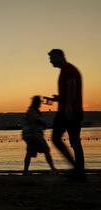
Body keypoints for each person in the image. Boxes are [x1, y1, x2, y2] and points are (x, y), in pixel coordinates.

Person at [47, 49, 85, 180]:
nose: (50, 61)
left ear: (60, 56)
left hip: (67, 111)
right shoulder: (68, 70)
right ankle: (79, 172)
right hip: (72, 110)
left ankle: (77, 169)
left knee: (56, 138)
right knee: (75, 142)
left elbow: (72, 85)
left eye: (52, 58)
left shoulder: (68, 69)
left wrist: (68, 106)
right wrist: (58, 99)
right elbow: (70, 89)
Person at [22, 96, 57, 175]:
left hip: (32, 135)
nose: (40, 104)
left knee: (30, 152)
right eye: (39, 102)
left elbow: (39, 123)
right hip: (33, 135)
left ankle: (25, 171)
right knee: (46, 150)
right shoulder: (32, 111)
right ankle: (53, 169)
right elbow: (33, 123)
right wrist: (36, 135)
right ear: (36, 103)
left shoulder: (35, 111)